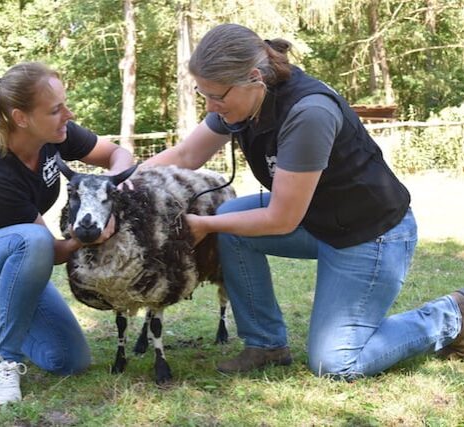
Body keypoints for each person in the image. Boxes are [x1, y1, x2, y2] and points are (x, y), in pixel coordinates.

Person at [144, 23, 464, 380]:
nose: (211, 106)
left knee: (336, 363)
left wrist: (204, 225)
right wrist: (125, 184)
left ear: (254, 78)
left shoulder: (308, 111)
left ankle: (451, 314)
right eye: (203, 94)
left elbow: (281, 218)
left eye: (217, 96)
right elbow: (187, 154)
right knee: (231, 219)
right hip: (319, 222)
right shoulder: (242, 101)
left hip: (370, 235)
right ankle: (266, 345)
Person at [0, 62, 134, 405]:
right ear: (21, 118)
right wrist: (88, 234)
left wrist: (109, 189)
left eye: (65, 104)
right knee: (33, 239)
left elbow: (117, 154)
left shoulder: (56, 136)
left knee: (69, 361)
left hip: (21, 265)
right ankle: (5, 362)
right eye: (56, 109)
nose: (68, 114)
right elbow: (52, 252)